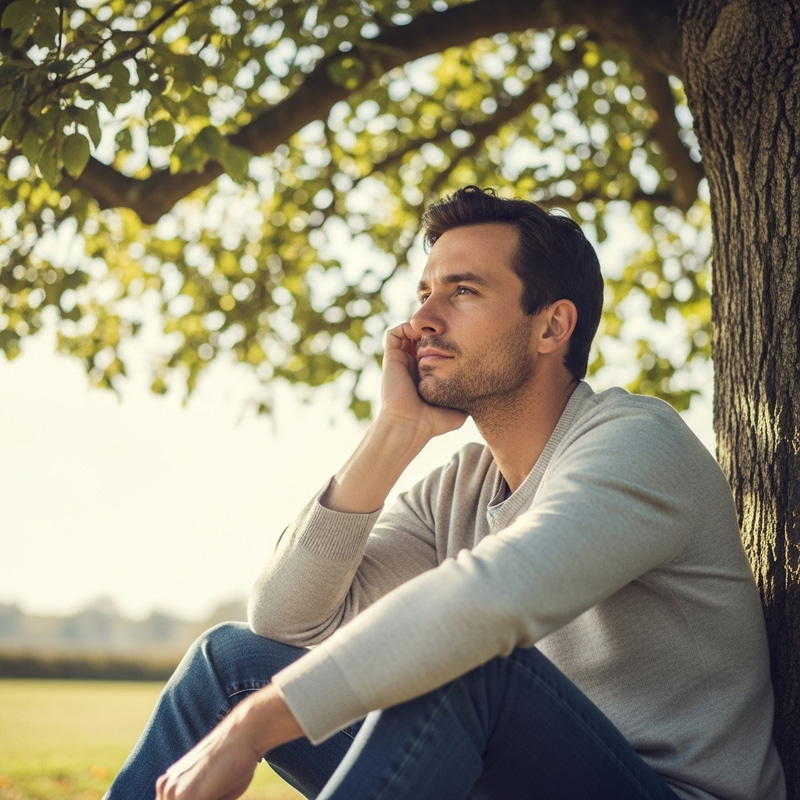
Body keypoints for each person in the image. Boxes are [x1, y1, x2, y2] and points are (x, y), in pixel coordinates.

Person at [105, 186, 785, 800]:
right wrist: (394, 431)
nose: (422, 319)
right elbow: (288, 621)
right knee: (229, 664)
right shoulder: (458, 488)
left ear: (551, 327)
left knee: (467, 668)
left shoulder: (638, 443)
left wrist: (256, 729)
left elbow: (485, 604)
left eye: (461, 291)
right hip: (512, 782)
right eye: (425, 292)